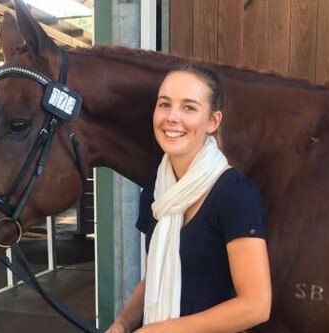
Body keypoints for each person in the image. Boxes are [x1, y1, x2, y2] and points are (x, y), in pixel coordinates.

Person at [106, 64, 272, 333]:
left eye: (189, 107)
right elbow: (153, 281)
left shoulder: (234, 194)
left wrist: (163, 330)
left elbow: (256, 305)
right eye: (164, 104)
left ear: (213, 121)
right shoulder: (155, 193)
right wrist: (123, 323)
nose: (172, 117)